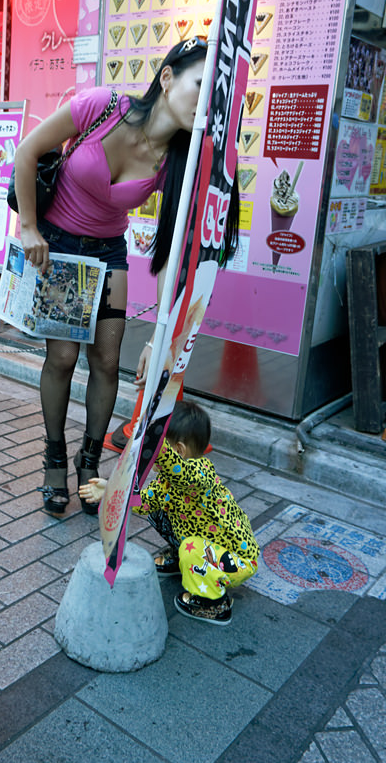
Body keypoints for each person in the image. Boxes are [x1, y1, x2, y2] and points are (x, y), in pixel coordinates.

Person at [13, 38, 239, 517]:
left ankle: (89, 463)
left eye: (214, 97)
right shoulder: (103, 106)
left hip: (109, 253)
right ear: (167, 78)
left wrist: (160, 334)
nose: (205, 103)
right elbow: (28, 150)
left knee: (108, 361)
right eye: (200, 86)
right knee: (62, 356)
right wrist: (29, 226)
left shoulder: (177, 160)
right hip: (61, 250)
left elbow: (170, 253)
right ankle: (54, 458)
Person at [79, 400, 259, 625]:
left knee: (191, 549)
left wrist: (154, 441)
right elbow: (144, 501)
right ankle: (183, 560)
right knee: (158, 513)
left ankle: (214, 604)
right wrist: (112, 489)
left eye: (154, 448)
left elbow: (182, 472)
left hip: (237, 558)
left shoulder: (201, 474)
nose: (148, 454)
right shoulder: (167, 481)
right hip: (205, 541)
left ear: (178, 451)